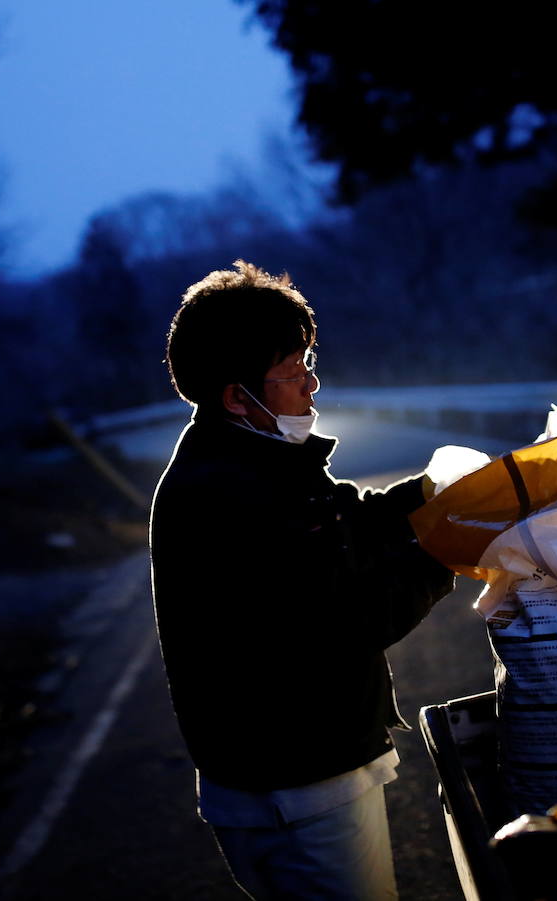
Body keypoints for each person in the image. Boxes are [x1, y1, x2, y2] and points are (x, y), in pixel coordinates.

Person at [149, 260, 456, 900]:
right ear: (238, 395)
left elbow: (343, 519)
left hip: (290, 777)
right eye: (294, 372)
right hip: (297, 786)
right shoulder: (232, 491)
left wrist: (430, 496)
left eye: (309, 362)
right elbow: (355, 616)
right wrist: (446, 547)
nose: (312, 385)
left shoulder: (246, 456)